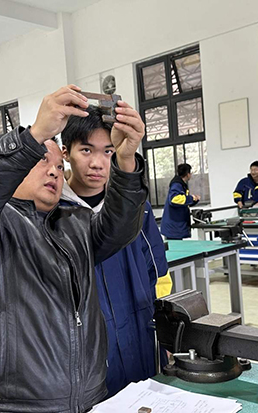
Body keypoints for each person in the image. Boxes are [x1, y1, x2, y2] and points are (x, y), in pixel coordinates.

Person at [0, 85, 148, 412]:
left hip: (88, 397)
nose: (53, 170)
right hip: (12, 405)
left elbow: (120, 227)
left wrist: (125, 159)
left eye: (58, 166)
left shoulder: (75, 223)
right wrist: (35, 134)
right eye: (40, 160)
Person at [60, 106, 172, 397]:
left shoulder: (135, 208)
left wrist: (165, 335)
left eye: (108, 151)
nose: (98, 163)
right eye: (86, 150)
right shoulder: (53, 213)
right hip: (86, 348)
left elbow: (157, 270)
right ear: (65, 153)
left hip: (140, 331)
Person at [160, 163, 200, 240]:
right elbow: (174, 200)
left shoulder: (181, 185)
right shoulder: (176, 184)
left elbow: (182, 202)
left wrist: (194, 200)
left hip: (176, 227)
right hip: (173, 228)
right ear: (187, 174)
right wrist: (191, 198)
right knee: (174, 246)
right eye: (190, 173)